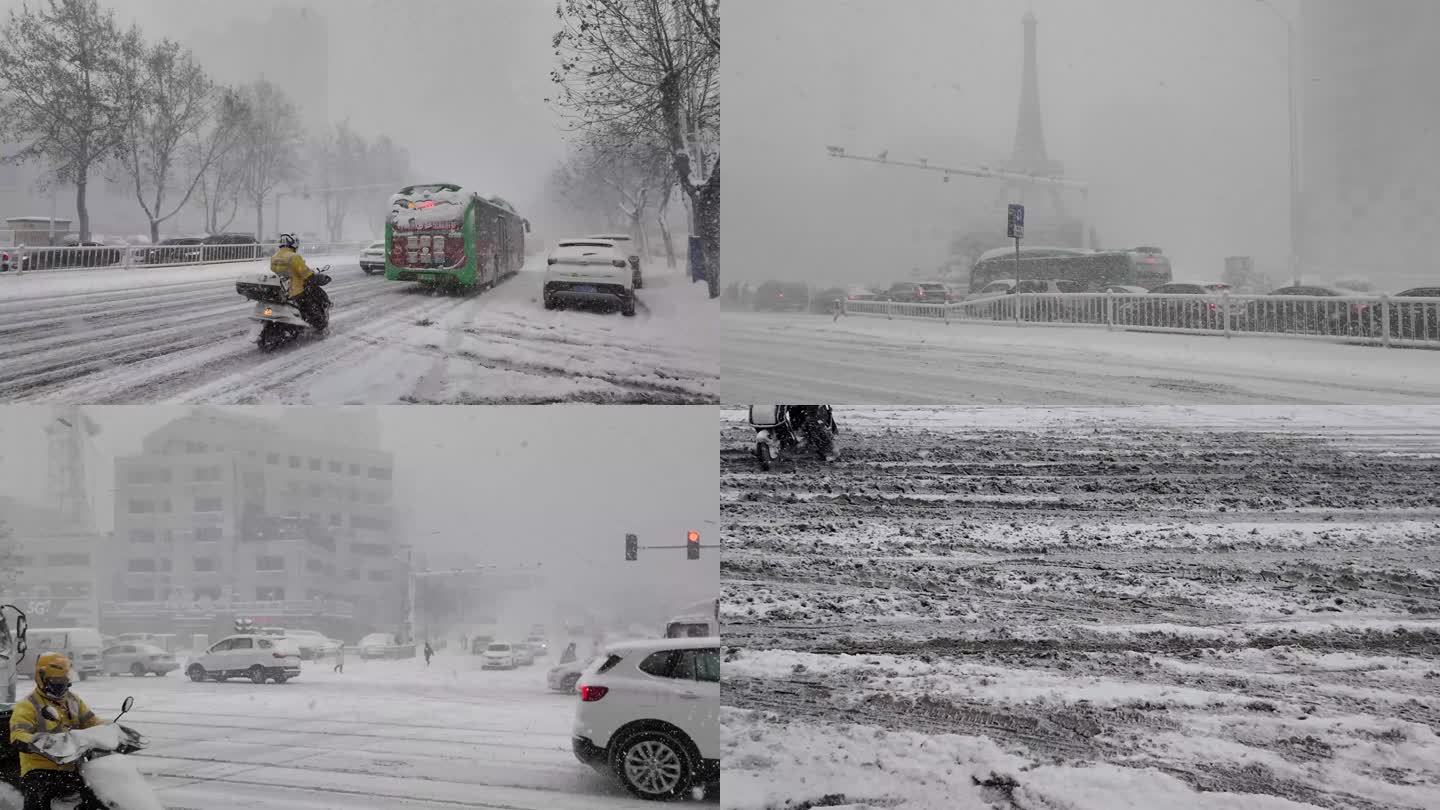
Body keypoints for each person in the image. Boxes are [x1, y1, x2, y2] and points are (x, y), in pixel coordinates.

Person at [8, 653, 105, 810]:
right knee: (38, 799)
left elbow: (92, 722)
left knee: (97, 796)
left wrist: (111, 730)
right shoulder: (27, 705)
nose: (61, 685)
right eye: (56, 681)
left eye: (64, 681)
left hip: (72, 766)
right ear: (42, 678)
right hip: (39, 768)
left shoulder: (73, 701)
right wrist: (41, 741)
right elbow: (18, 735)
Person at [269, 233, 327, 329]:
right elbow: (305, 272)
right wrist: (312, 277)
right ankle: (318, 323)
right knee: (311, 304)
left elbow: (273, 269)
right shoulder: (294, 257)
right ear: (294, 244)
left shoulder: (274, 256)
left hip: (282, 289)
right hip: (296, 290)